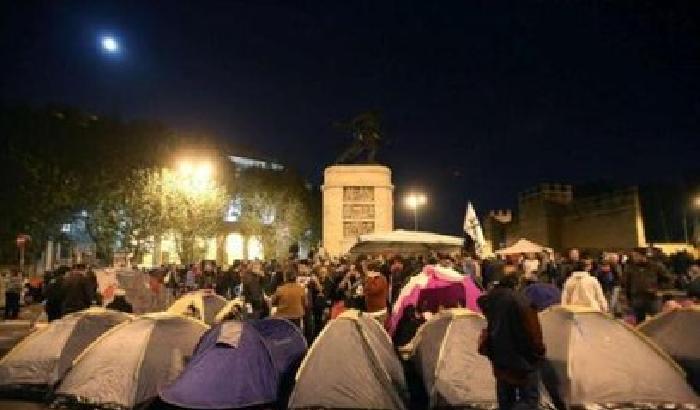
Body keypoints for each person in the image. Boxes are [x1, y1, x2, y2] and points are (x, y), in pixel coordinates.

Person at [478, 274, 545, 410]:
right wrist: (539, 352)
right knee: (529, 400)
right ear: (517, 284)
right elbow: (533, 332)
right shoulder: (522, 302)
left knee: (505, 398)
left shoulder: (491, 300)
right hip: (523, 359)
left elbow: (481, 302)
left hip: (499, 355)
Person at [623, 248, 673, 324]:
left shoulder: (656, 266)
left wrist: (658, 289)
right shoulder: (630, 268)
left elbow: (668, 279)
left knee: (657, 320)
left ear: (643, 256)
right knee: (639, 323)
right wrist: (628, 298)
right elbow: (627, 284)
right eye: (633, 256)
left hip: (653, 298)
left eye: (636, 256)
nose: (634, 258)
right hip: (637, 298)